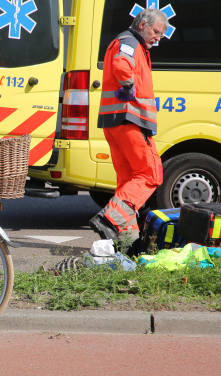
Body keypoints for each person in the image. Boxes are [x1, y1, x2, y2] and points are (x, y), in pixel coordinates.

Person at [89, 8, 168, 242]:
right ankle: (112, 218)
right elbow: (122, 65)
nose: (158, 38)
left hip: (115, 122)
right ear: (142, 24)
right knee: (150, 174)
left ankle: (127, 240)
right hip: (131, 120)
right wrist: (127, 86)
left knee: (128, 181)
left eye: (161, 35)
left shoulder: (127, 42)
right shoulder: (129, 42)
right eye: (156, 32)